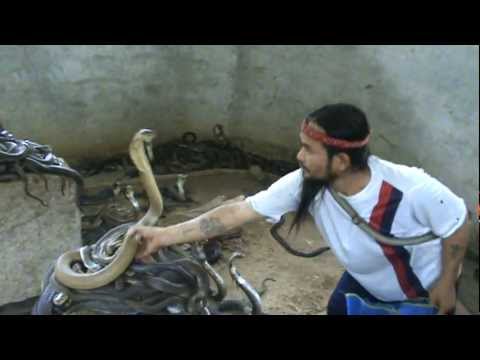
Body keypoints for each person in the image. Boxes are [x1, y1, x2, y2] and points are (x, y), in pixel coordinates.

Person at [127, 103, 471, 315]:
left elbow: (458, 223)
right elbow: (237, 213)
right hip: (361, 283)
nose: (299, 156)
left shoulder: (411, 189)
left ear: (340, 160)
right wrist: (162, 236)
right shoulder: (303, 183)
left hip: (417, 294)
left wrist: (446, 281)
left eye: (308, 149)